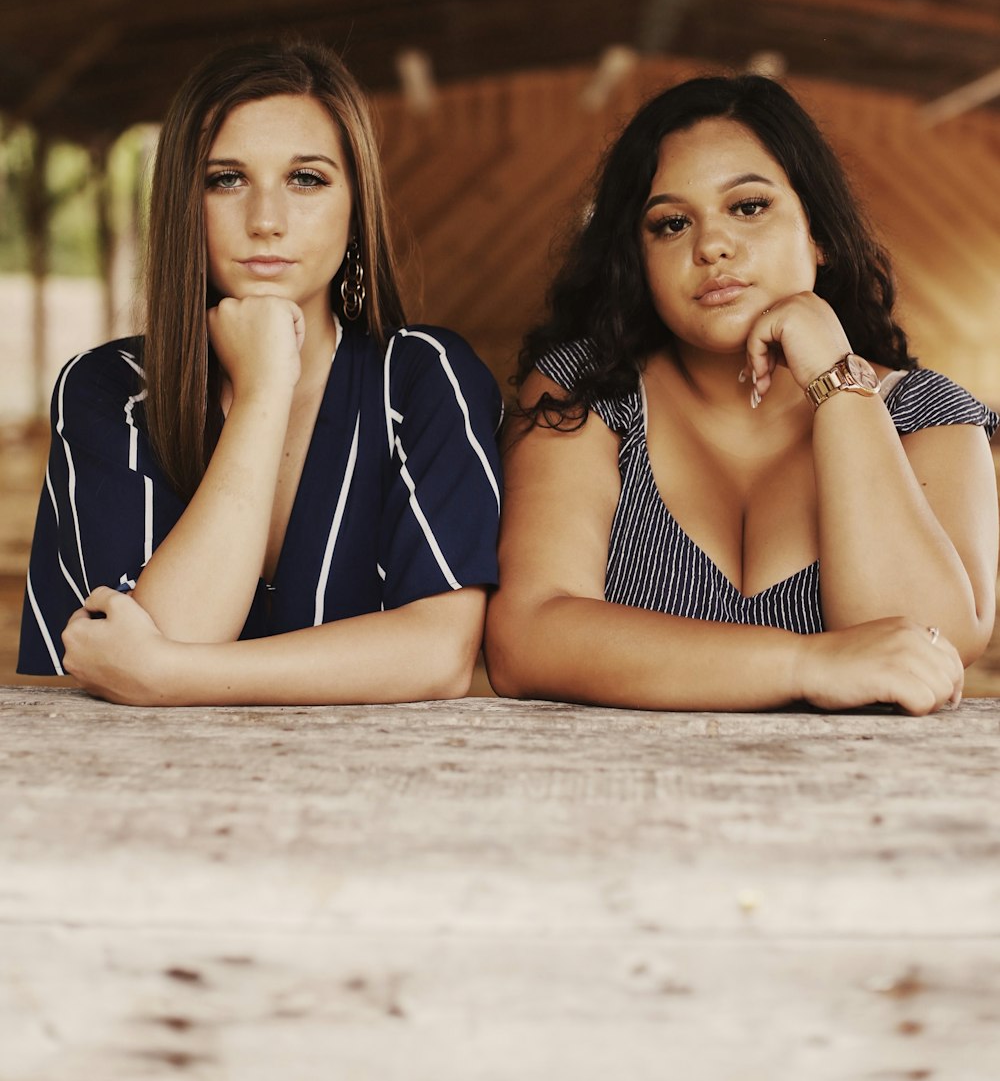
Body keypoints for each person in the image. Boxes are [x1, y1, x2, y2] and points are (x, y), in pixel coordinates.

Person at [485, 74, 998, 715]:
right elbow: (527, 637)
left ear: (819, 234)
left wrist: (838, 382)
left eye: (749, 207)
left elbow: (922, 649)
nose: (712, 246)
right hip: (622, 799)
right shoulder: (586, 392)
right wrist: (805, 663)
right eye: (671, 224)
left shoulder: (930, 416)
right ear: (638, 261)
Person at [19, 39, 502, 705]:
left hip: (381, 792)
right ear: (185, 204)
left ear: (358, 209)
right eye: (227, 179)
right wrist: (265, 388)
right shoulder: (108, 391)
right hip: (144, 793)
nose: (266, 221)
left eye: (306, 178)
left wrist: (168, 675)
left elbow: (437, 652)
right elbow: (167, 633)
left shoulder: (424, 380)